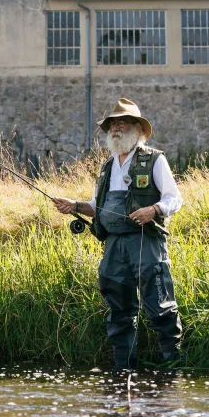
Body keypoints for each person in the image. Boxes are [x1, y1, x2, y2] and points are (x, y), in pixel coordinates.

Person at [53, 98, 183, 370]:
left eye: (122, 123)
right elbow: (97, 207)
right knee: (119, 312)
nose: (116, 128)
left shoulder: (155, 160)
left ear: (137, 129)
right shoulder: (106, 168)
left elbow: (175, 199)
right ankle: (124, 370)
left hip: (146, 243)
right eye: (112, 124)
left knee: (160, 307)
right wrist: (74, 206)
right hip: (113, 247)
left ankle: (175, 367)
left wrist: (154, 210)